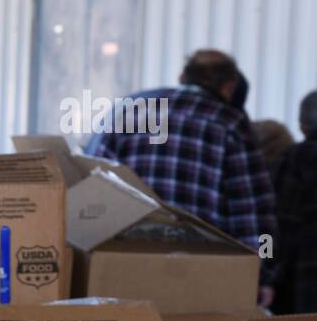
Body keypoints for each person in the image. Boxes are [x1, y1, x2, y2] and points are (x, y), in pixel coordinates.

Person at [87, 49, 277, 305]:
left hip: (120, 261)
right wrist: (264, 273)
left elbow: (92, 183)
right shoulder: (231, 123)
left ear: (181, 77)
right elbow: (255, 213)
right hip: (201, 270)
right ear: (230, 87)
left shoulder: (129, 109)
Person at [269, 91, 317, 314]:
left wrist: (268, 273)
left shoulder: (291, 159)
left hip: (302, 284)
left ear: (302, 125)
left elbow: (277, 225)